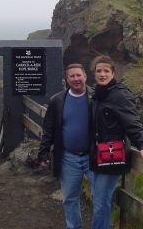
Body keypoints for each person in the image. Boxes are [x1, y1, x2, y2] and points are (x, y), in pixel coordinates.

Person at [89, 55, 143, 229]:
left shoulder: (119, 95)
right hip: (98, 154)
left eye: (106, 71)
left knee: (100, 200)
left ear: (113, 73)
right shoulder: (98, 96)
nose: (102, 74)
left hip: (112, 154)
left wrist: (142, 145)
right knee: (99, 198)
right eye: (99, 71)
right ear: (94, 74)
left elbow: (133, 123)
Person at [38, 64, 95, 229]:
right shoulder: (57, 100)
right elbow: (48, 129)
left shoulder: (96, 97)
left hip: (93, 156)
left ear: (85, 76)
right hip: (68, 157)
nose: (76, 79)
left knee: (100, 196)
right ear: (67, 79)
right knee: (70, 198)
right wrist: (43, 152)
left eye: (79, 75)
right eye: (72, 76)